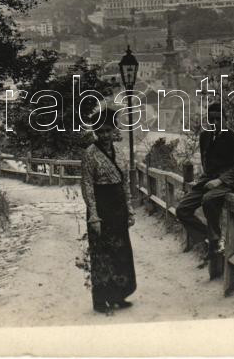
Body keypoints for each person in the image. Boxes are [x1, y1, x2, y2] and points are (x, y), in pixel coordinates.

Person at [175, 100, 234, 277]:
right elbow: (206, 160)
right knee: (182, 210)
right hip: (207, 180)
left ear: (225, 119)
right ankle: (212, 239)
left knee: (208, 199)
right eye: (211, 119)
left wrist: (220, 181)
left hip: (227, 183)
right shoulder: (205, 136)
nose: (214, 123)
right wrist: (208, 179)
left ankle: (215, 241)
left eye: (218, 119)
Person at [80, 106, 137, 313]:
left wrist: (129, 209)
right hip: (101, 207)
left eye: (108, 131)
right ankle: (101, 300)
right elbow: (87, 185)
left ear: (113, 131)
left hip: (118, 206)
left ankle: (119, 295)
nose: (104, 135)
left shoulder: (119, 153)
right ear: (96, 132)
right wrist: (94, 215)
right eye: (101, 131)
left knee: (121, 252)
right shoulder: (90, 154)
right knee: (102, 254)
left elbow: (125, 182)